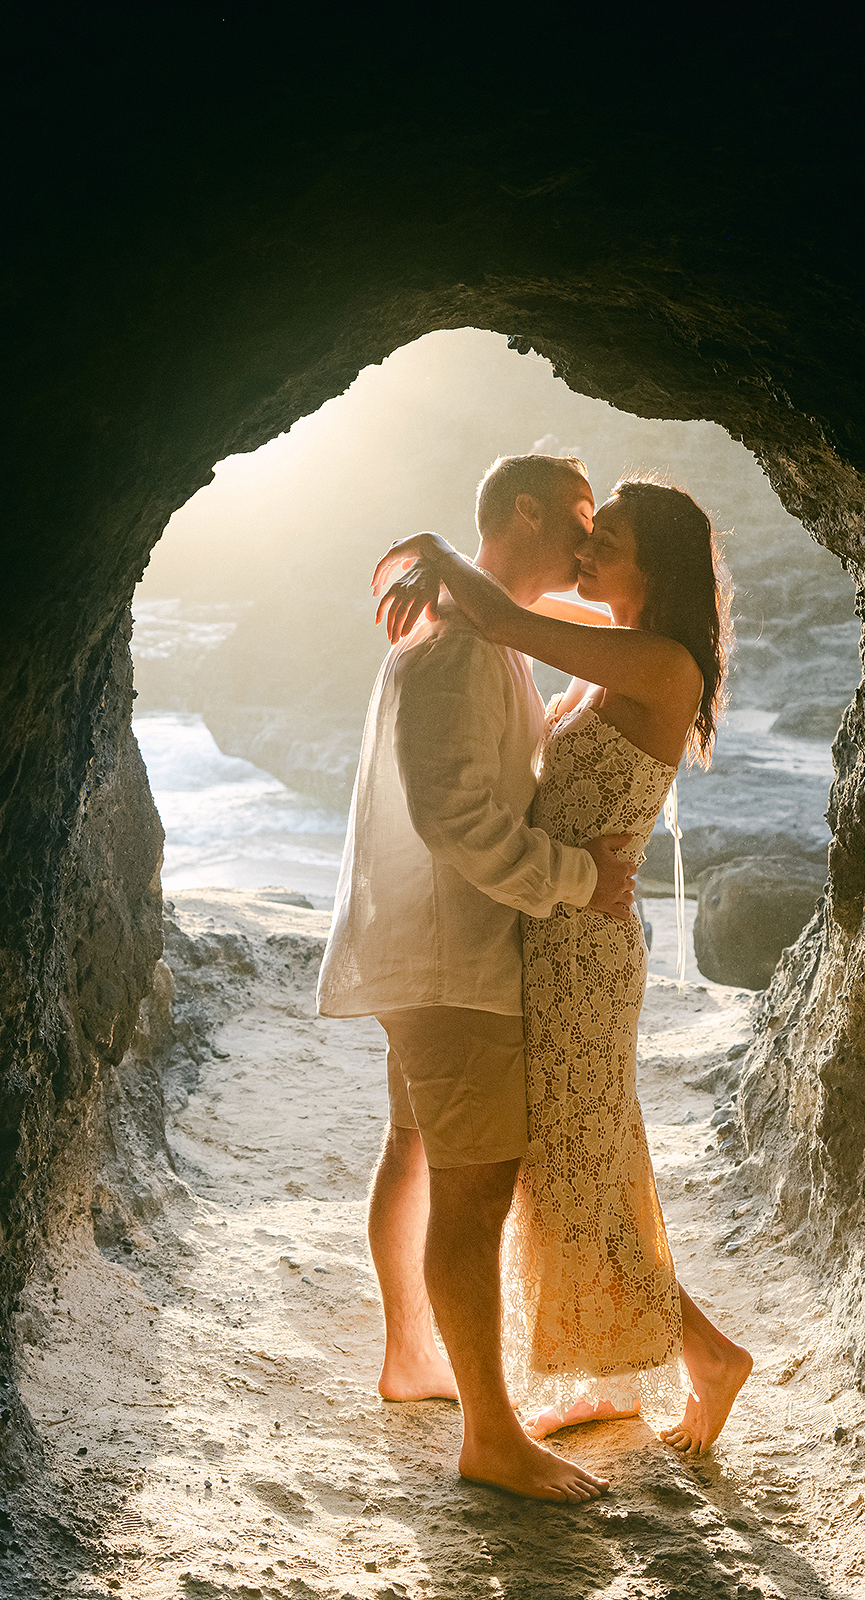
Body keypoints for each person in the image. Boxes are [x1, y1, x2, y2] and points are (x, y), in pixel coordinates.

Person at [373, 475, 753, 1456]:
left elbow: (505, 612)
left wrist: (435, 545)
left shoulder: (657, 662)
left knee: (579, 1168)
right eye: (588, 534)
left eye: (608, 539)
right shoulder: (622, 645)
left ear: (651, 566)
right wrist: (467, 579)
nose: (588, 555)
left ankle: (706, 1357)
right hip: (557, 931)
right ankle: (617, 1382)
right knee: (588, 1162)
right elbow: (518, 603)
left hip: (583, 948)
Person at [317, 453, 639, 1503]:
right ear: (527, 512)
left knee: (414, 1149)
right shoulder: (458, 649)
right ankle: (492, 1435)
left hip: (434, 957)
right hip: (458, 963)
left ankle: (414, 1358)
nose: (590, 544)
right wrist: (580, 879)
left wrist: (448, 562)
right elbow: (459, 824)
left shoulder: (480, 635)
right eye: (580, 521)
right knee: (476, 1188)